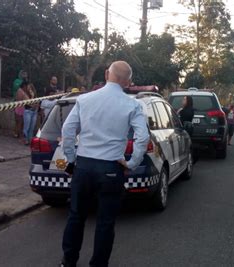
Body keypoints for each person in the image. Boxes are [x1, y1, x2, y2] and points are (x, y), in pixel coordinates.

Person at [60, 61, 149, 267]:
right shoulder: (133, 105)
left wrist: (72, 160)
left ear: (107, 73)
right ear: (128, 82)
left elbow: (67, 131)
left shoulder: (84, 99)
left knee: (76, 216)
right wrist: (131, 163)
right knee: (105, 222)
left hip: (83, 165)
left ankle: (68, 261)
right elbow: (142, 138)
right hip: (111, 168)